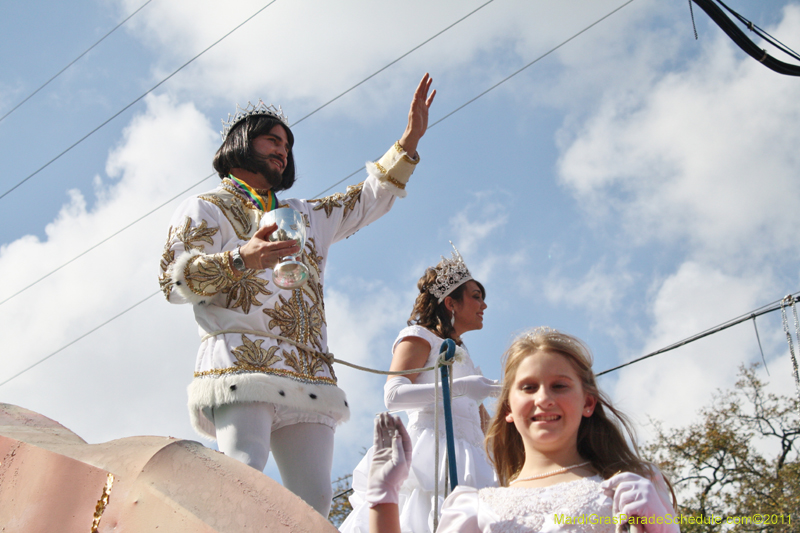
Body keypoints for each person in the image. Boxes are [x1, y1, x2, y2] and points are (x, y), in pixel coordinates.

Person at [157, 74, 436, 517]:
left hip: (308, 373)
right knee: (243, 478)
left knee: (315, 502)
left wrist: (408, 142)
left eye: (286, 146)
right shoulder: (205, 208)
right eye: (272, 140)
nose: (282, 151)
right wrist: (242, 258)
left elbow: (367, 198)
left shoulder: (303, 214)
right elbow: (174, 281)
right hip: (243, 363)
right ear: (241, 145)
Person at [366, 328, 680, 533]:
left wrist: (659, 527)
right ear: (508, 410)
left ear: (588, 403)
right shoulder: (475, 510)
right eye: (528, 388)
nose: (544, 398)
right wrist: (383, 499)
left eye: (559, 385)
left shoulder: (631, 488)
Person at [340, 246, 499, 533]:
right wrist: (462, 388)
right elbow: (393, 395)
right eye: (476, 297)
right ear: (451, 303)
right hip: (432, 451)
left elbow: (481, 421)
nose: (484, 306)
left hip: (473, 461)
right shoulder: (419, 337)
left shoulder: (467, 355)